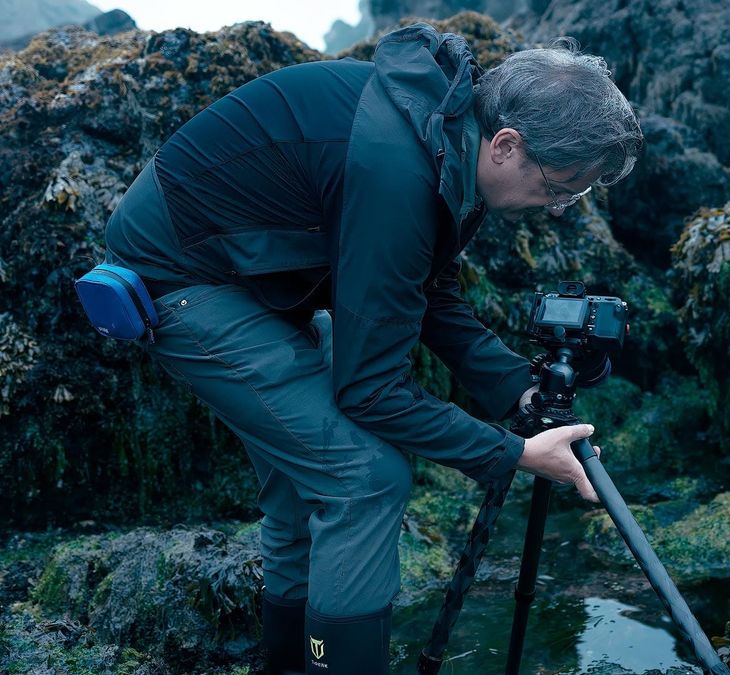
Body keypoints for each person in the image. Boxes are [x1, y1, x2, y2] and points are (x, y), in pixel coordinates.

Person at [102, 23, 642, 675]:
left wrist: (518, 391)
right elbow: (368, 390)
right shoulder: (398, 166)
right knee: (362, 475)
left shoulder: (447, 133)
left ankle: (290, 663)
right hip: (182, 274)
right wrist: (514, 454)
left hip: (248, 274)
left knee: (311, 472)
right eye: (560, 187)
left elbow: (425, 290)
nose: (556, 209)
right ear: (507, 145)